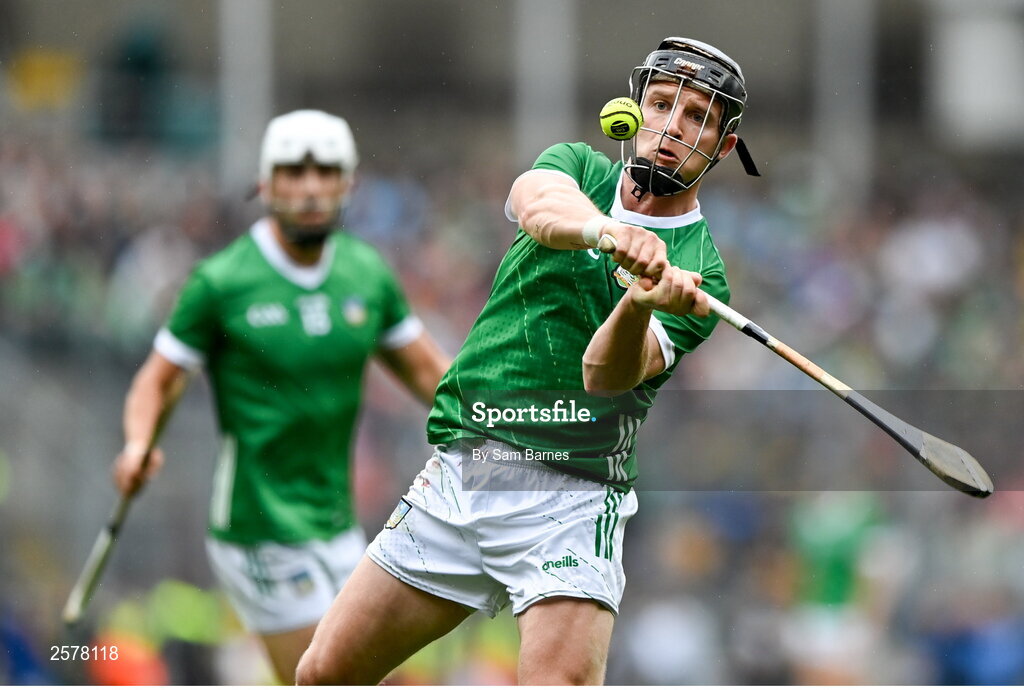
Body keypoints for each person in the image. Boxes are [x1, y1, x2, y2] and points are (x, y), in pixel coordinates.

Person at [297, 37, 761, 685]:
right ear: (636, 108)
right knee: (322, 675)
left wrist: (638, 302)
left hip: (572, 498)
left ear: (724, 144)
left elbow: (604, 375)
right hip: (472, 468)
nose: (671, 129)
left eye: (696, 118)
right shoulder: (578, 167)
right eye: (661, 105)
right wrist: (609, 234)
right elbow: (539, 207)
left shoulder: (702, 272)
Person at [112, 109, 450, 683]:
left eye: (327, 172)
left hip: (337, 523)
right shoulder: (222, 282)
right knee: (325, 678)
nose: (311, 187)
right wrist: (137, 442)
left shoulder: (366, 273)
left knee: (389, 677)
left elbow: (430, 374)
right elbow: (157, 380)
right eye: (295, 172)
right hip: (258, 528)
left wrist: (501, 422)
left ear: (349, 183)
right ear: (267, 184)